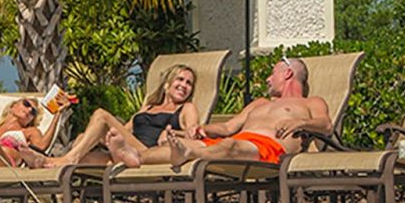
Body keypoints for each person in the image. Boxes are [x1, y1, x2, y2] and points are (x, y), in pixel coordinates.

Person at [105, 57, 330, 168]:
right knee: (183, 144)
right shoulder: (260, 103)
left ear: (288, 73)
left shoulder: (310, 102)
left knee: (229, 145)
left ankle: (185, 153)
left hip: (268, 149)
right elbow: (227, 127)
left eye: (273, 73)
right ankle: (136, 157)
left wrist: (300, 123)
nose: (268, 79)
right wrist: (201, 129)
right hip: (236, 143)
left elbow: (326, 125)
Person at [19, 64, 200, 168]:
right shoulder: (148, 107)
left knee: (101, 115)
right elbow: (125, 130)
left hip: (148, 152)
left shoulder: (187, 108)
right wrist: (96, 137)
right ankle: (44, 162)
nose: (184, 85)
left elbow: (194, 134)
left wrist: (172, 134)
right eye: (180, 79)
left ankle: (68, 158)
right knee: (82, 145)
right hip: (125, 152)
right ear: (167, 84)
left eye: (189, 83)